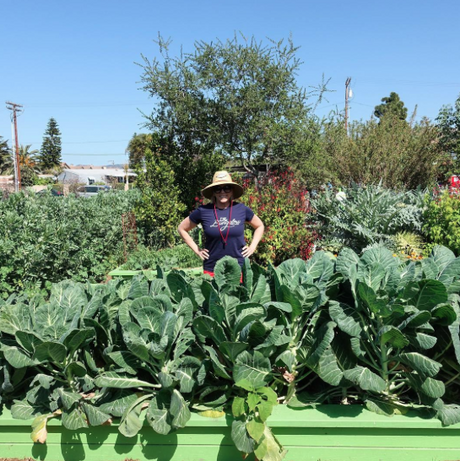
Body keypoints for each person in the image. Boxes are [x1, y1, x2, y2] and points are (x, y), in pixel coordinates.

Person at [178, 171, 264, 277]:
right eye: (217, 188)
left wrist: (252, 246)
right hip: (212, 267)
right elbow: (182, 228)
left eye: (227, 188)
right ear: (213, 192)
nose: (222, 191)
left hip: (239, 267)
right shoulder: (204, 211)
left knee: (238, 293)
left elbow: (259, 226)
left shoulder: (241, 209)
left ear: (232, 191)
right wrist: (197, 250)